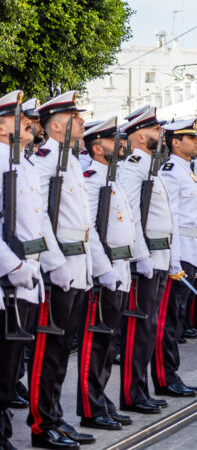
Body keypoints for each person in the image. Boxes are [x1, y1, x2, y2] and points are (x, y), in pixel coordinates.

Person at [30, 91, 97, 447]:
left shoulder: (70, 160)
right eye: (76, 118)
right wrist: (54, 263)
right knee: (49, 348)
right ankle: (41, 425)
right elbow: (38, 215)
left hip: (78, 266)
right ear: (57, 126)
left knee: (63, 347)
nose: (83, 123)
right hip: (59, 268)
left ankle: (54, 416)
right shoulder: (44, 162)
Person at [0, 91, 63, 449]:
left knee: (11, 367)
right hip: (7, 279)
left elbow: (38, 223)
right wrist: (13, 267)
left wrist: (48, 265)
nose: (28, 122)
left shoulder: (23, 164)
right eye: (17, 117)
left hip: (26, 279)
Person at [77, 117, 136, 431]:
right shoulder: (90, 178)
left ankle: (101, 400)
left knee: (109, 341)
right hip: (106, 272)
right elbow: (91, 231)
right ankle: (91, 407)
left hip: (120, 269)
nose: (121, 145)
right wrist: (104, 271)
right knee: (97, 342)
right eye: (114, 141)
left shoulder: (110, 178)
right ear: (98, 148)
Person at [117, 107, 174, 415]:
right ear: (140, 135)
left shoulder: (152, 166)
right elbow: (131, 215)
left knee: (149, 327)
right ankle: (132, 392)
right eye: (154, 130)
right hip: (147, 259)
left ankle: (141, 388)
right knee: (139, 328)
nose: (160, 134)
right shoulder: (134, 166)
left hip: (160, 257)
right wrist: (141, 256)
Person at [151, 119, 197, 398]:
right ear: (175, 142)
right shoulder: (171, 172)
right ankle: (165, 377)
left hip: (190, 253)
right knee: (168, 320)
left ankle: (171, 374)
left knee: (178, 317)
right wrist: (175, 260)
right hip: (179, 254)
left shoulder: (187, 170)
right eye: (190, 137)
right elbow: (169, 218)